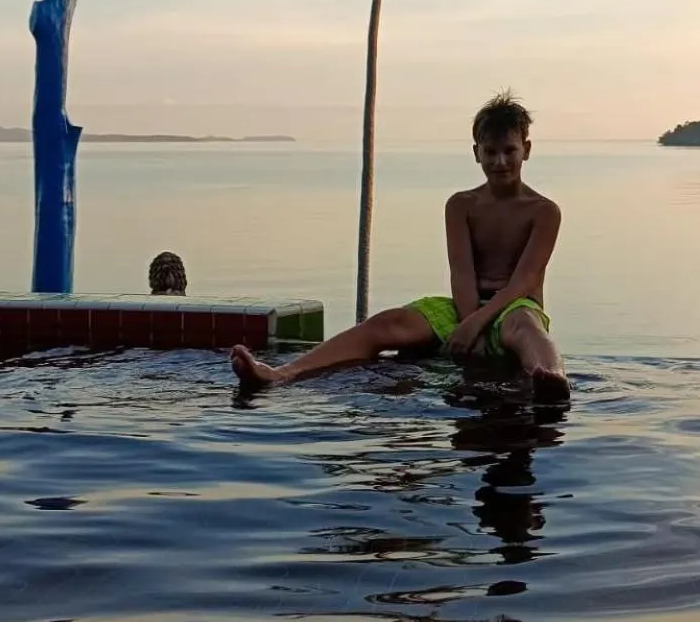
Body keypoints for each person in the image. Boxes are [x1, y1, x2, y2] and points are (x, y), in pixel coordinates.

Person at [231, 90, 569, 399]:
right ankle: (281, 373)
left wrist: (479, 323)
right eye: (490, 152)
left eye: (509, 151)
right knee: (386, 323)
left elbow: (524, 281)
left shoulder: (543, 211)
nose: (500, 162)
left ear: (526, 149)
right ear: (476, 153)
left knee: (527, 328)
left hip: (513, 306)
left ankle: (551, 376)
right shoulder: (461, 205)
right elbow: (462, 274)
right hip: (462, 306)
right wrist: (469, 324)